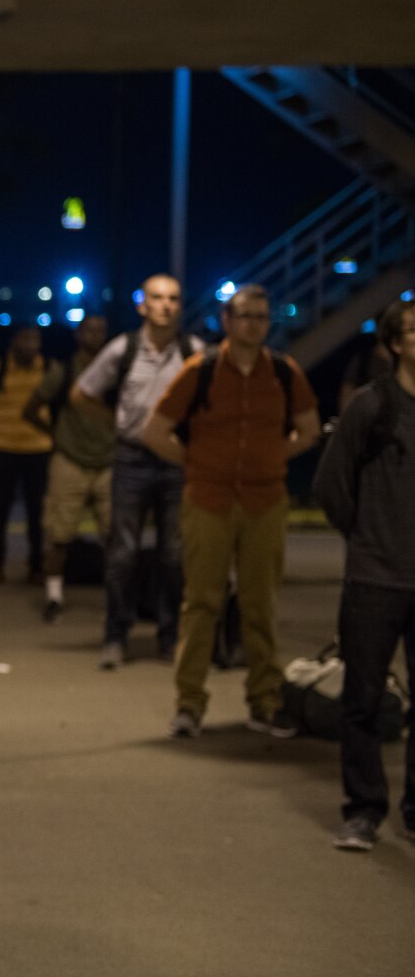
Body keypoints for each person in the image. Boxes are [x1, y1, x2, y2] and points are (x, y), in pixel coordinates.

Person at [142, 284, 320, 739]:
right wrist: (197, 462)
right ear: (227, 321)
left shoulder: (284, 372)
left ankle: (264, 702)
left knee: (260, 604)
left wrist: (276, 456)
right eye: (245, 316)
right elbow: (156, 432)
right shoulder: (200, 371)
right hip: (209, 500)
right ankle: (189, 704)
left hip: (264, 501)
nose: (254, 324)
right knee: (202, 603)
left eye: (262, 316)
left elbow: (309, 429)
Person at [312, 297, 415, 851]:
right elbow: (330, 485)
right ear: (394, 343)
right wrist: (367, 537)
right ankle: (364, 810)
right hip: (375, 577)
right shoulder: (373, 406)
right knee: (363, 699)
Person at [71, 274, 203, 669]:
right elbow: (81, 394)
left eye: (174, 298)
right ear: (142, 305)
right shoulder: (123, 348)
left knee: (174, 553)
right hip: (132, 459)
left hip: (176, 461)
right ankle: (116, 634)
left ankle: (169, 634)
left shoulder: (192, 351)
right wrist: (116, 422)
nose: (166, 305)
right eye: (157, 298)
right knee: (123, 551)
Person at [23, 314, 113, 622]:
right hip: (70, 460)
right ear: (78, 334)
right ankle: (54, 595)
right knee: (60, 534)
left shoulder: (115, 371)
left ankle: (118, 598)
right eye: (90, 330)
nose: (96, 336)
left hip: (107, 461)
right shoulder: (63, 371)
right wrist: (55, 435)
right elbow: (31, 408)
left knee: (114, 536)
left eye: (101, 331)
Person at [0, 326, 52, 585]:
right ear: (14, 341)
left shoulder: (48, 368)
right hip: (4, 447)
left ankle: (36, 566)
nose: (32, 345)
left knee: (36, 510)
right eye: (26, 338)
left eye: (36, 340)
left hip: (38, 448)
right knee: (1, 509)